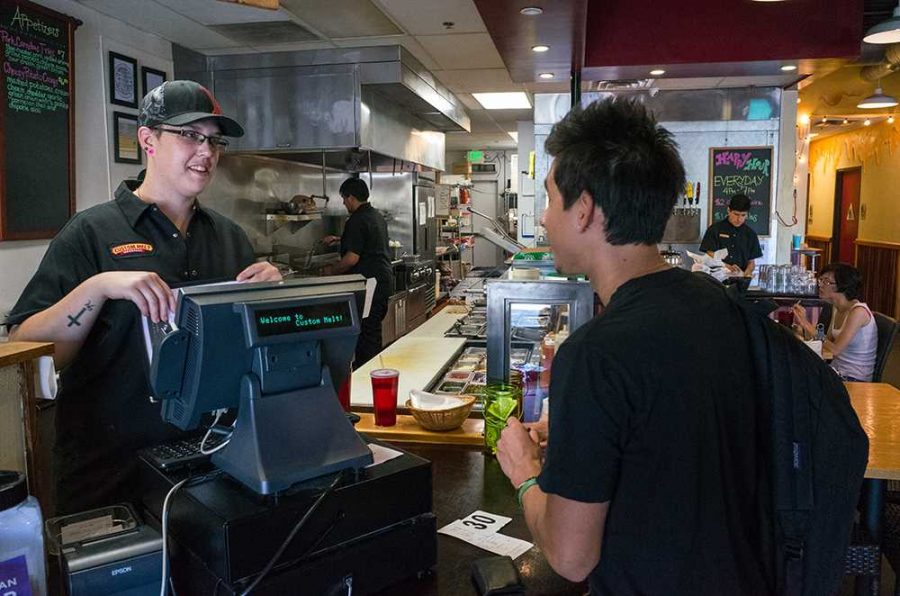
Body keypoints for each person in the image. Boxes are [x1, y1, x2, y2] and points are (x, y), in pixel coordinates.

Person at [495, 98, 774, 595]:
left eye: (550, 199)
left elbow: (570, 556)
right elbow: (672, 440)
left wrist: (525, 472)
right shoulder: (716, 303)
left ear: (583, 210)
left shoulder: (594, 353)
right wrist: (582, 432)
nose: (544, 217)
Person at [7, 80, 281, 514]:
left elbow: (249, 353)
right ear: (147, 140)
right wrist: (98, 287)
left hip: (212, 469)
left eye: (214, 140)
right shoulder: (91, 233)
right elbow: (26, 351)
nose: (206, 152)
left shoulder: (229, 239)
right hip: (111, 481)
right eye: (190, 135)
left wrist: (272, 301)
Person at [321, 177, 393, 366]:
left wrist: (330, 271)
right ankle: (372, 371)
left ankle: (366, 374)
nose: (344, 203)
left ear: (351, 198)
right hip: (382, 281)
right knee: (372, 331)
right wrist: (340, 239)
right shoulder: (375, 215)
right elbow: (366, 241)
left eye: (344, 199)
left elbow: (351, 259)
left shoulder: (356, 220)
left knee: (366, 335)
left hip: (369, 284)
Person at [793, 263, 877, 381]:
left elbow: (835, 350)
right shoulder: (836, 308)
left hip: (854, 377)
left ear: (843, 286)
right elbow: (825, 341)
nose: (820, 285)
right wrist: (803, 330)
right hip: (835, 371)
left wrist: (807, 325)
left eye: (826, 282)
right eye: (820, 280)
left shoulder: (858, 312)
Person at [698, 194, 762, 276]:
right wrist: (727, 267)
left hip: (739, 282)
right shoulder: (714, 229)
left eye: (743, 215)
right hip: (716, 279)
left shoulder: (750, 234)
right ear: (728, 210)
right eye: (736, 214)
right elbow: (710, 255)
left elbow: (751, 263)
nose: (739, 219)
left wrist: (744, 275)